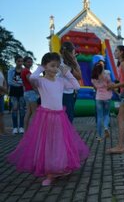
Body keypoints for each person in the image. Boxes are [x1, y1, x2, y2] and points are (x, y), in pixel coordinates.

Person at [7, 52, 89, 186]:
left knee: (59, 142)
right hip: (45, 117)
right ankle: (49, 173)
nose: (55, 68)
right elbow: (32, 77)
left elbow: (77, 86)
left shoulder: (61, 81)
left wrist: (66, 71)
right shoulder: (40, 81)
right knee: (47, 143)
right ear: (45, 66)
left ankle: (59, 166)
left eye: (57, 66)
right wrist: (41, 68)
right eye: (52, 66)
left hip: (59, 116)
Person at [60, 41, 82, 123]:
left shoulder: (58, 61)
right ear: (71, 52)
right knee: (68, 119)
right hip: (67, 94)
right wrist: (75, 61)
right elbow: (79, 76)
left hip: (60, 93)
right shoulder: (67, 66)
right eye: (74, 52)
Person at [91, 61, 112, 141]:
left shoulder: (93, 78)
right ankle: (106, 127)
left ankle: (99, 136)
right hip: (107, 97)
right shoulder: (106, 75)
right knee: (106, 114)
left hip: (99, 97)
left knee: (99, 117)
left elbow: (96, 88)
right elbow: (110, 85)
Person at [7, 55, 25, 134]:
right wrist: (20, 84)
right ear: (15, 61)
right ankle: (14, 127)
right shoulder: (11, 70)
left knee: (22, 109)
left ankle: (21, 127)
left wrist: (18, 83)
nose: (20, 63)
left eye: (21, 61)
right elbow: (10, 82)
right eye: (18, 61)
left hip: (22, 93)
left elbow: (26, 82)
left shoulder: (24, 71)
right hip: (13, 92)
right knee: (14, 109)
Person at [21, 56, 39, 132]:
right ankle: (34, 131)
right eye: (28, 62)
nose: (30, 63)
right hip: (31, 92)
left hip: (26, 93)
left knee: (29, 112)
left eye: (31, 62)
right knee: (34, 112)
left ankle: (26, 131)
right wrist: (37, 90)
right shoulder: (26, 71)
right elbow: (31, 81)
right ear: (24, 63)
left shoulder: (23, 71)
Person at [0, 68, 7, 135]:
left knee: (1, 114)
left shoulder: (1, 70)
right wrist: (3, 88)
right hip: (1, 91)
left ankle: (2, 131)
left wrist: (4, 89)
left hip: (1, 94)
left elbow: (4, 81)